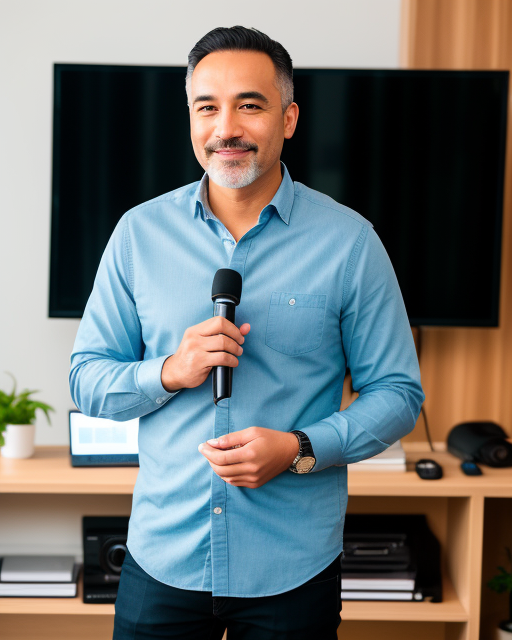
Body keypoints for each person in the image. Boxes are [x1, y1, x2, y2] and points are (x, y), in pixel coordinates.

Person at [69, 26, 424, 640]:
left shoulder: (349, 243)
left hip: (292, 566)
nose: (225, 127)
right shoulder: (137, 234)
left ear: (288, 119)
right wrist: (169, 371)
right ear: (190, 119)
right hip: (163, 558)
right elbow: (86, 379)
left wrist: (299, 448)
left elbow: (398, 394)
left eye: (249, 105)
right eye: (207, 107)